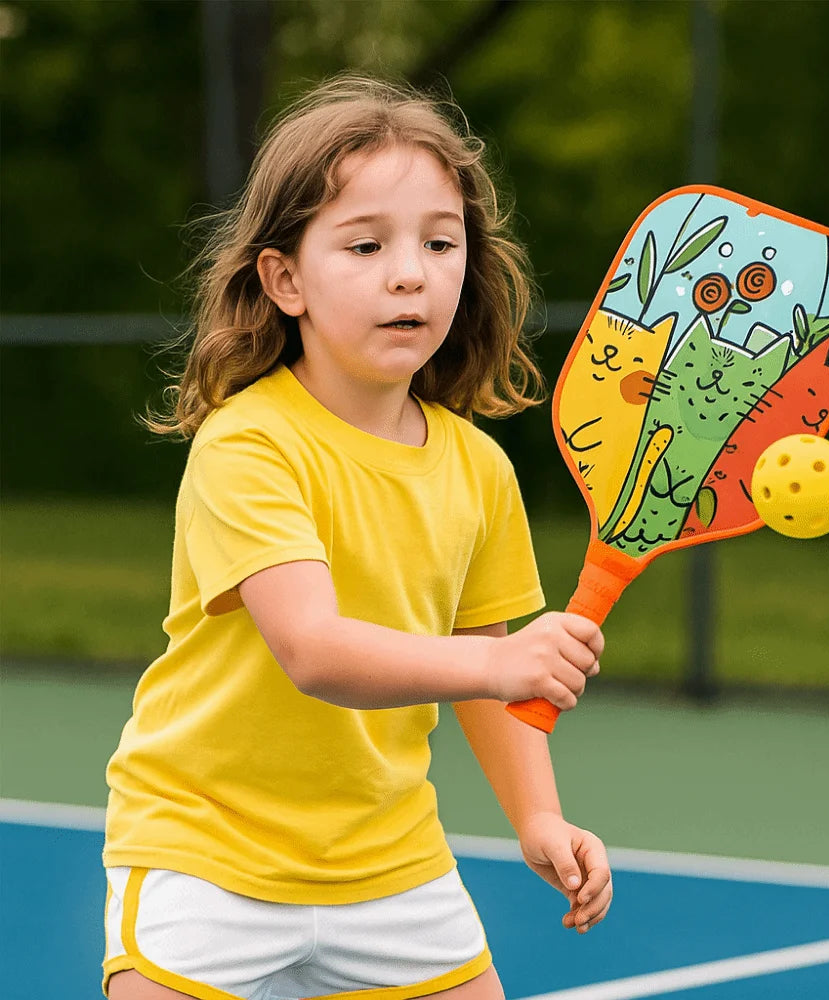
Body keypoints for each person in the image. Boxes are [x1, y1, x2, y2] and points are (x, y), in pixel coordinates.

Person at [103, 74, 612, 1000]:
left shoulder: (477, 469)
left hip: (391, 864)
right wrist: (501, 670)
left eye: (440, 242)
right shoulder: (249, 443)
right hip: (207, 852)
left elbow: (479, 649)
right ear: (284, 277)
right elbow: (315, 650)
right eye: (367, 244)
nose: (410, 271)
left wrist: (538, 817)